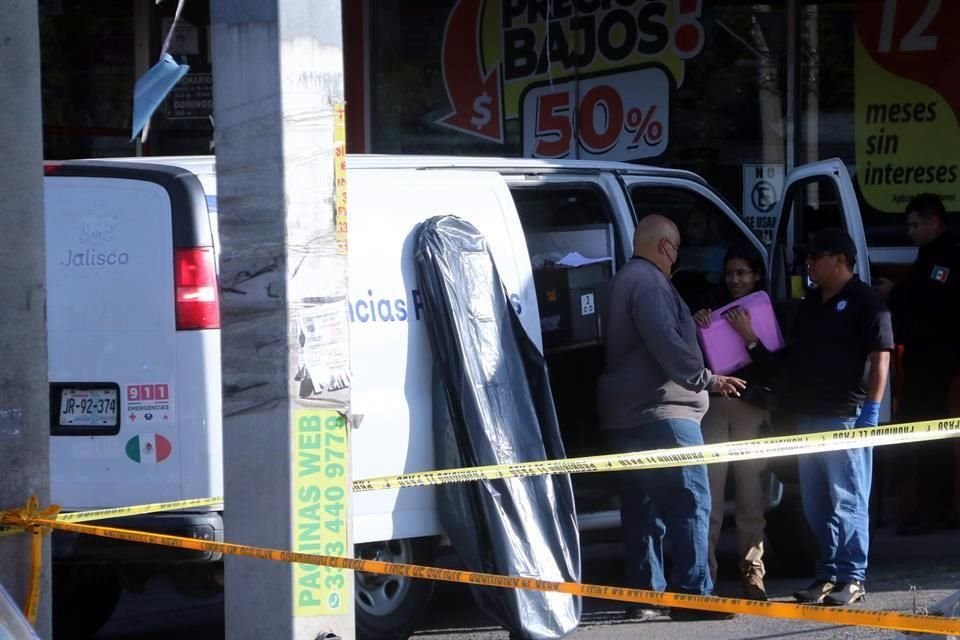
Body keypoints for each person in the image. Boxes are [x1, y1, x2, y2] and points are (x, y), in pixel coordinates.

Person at [596, 214, 746, 621]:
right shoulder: (649, 283)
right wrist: (707, 379)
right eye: (677, 248)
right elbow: (664, 339)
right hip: (665, 411)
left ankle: (646, 595)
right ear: (665, 247)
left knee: (642, 509)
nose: (676, 256)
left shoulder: (621, 280)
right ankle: (694, 595)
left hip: (626, 415)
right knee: (690, 501)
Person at [779, 229, 893, 606]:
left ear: (840, 260)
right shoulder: (811, 301)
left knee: (848, 500)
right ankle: (826, 574)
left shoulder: (866, 300)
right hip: (808, 417)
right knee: (815, 505)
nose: (809, 263)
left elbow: (881, 358)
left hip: (845, 416)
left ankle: (853, 577)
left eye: (817, 256)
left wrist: (871, 411)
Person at [875, 193, 960, 535]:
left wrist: (894, 293)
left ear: (934, 222)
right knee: (923, 438)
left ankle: (934, 509)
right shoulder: (928, 257)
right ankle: (928, 507)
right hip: (923, 361)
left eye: (914, 225)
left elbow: (933, 304)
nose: (909, 232)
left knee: (931, 439)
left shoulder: (947, 258)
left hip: (936, 363)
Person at [693, 244, 773, 601]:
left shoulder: (765, 309)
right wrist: (697, 328)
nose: (736, 280)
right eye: (730, 273)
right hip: (713, 406)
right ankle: (705, 574)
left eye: (743, 273)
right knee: (708, 495)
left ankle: (753, 573)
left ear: (756, 275)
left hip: (751, 408)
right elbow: (693, 360)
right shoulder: (712, 307)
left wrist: (750, 337)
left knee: (751, 496)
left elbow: (779, 367)